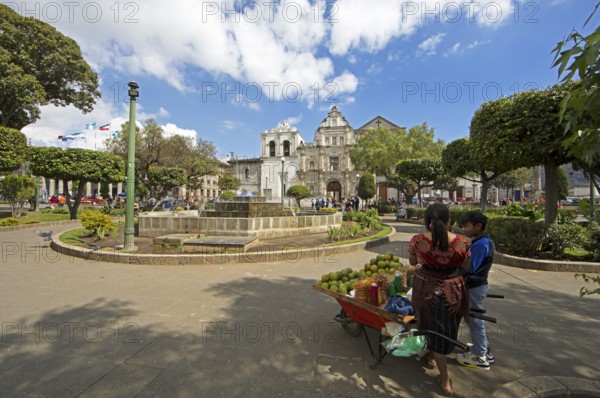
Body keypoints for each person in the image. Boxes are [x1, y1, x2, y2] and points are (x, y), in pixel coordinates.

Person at [408, 204, 470, 395]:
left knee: (427, 324)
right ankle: (436, 362)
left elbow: (412, 262)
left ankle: (442, 373)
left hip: (426, 287)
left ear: (426, 221)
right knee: (447, 328)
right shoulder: (461, 242)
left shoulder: (418, 241)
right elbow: (466, 265)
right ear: (449, 220)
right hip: (452, 290)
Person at [456, 211, 496, 370]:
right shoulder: (482, 241)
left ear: (478, 226)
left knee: (475, 320)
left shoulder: (481, 244)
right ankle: (485, 350)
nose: (464, 229)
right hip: (476, 286)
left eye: (466, 226)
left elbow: (470, 267)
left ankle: (480, 356)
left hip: (475, 286)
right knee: (472, 318)